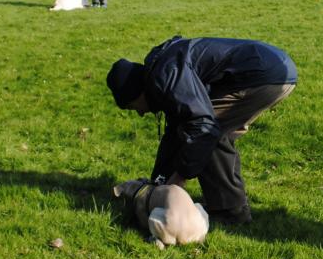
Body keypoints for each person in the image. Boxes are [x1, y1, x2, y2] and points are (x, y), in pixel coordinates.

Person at [106, 36, 297, 225]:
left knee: (207, 134)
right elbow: (174, 135)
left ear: (138, 92)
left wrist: (180, 177)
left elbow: (203, 127)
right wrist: (159, 183)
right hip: (273, 66)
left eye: (133, 106)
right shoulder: (162, 72)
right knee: (202, 131)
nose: (139, 113)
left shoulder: (165, 76)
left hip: (266, 74)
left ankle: (230, 211)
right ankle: (227, 204)